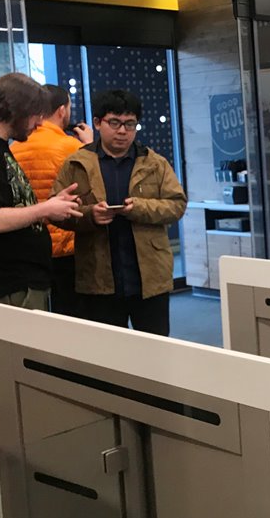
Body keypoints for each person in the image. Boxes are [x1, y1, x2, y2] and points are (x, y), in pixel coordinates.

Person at [0, 72, 83, 498]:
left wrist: (47, 209)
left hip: (17, 280)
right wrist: (46, 208)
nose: (39, 124)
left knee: (13, 376)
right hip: (6, 285)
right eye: (36, 116)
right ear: (18, 111)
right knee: (5, 379)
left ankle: (14, 468)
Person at [53, 89, 186, 336]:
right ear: (97, 123)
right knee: (107, 351)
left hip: (149, 278)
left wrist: (140, 208)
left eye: (130, 124)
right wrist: (90, 215)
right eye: (114, 123)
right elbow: (57, 212)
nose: (123, 131)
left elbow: (177, 205)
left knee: (155, 348)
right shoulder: (76, 164)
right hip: (98, 278)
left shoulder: (155, 163)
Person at [10, 85, 93, 315]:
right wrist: (89, 146)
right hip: (68, 245)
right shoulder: (72, 147)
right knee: (73, 315)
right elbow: (94, 184)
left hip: (30, 245)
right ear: (61, 111)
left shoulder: (15, 147)